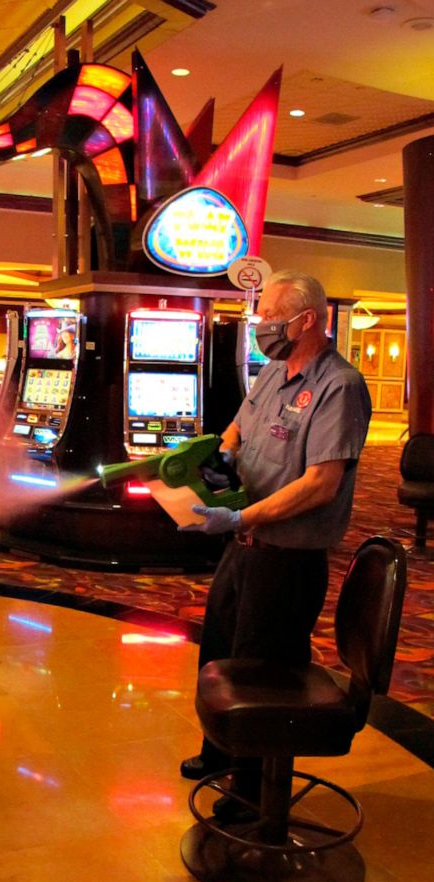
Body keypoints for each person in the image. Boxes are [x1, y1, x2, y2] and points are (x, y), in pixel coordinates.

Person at [179, 270, 372, 821]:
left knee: (260, 672)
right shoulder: (269, 374)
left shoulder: (340, 385)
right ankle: (220, 751)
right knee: (220, 652)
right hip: (244, 545)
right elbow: (234, 434)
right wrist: (211, 469)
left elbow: (320, 484)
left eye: (269, 316)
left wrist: (239, 513)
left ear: (306, 319)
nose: (261, 326)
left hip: (288, 560)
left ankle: (251, 793)